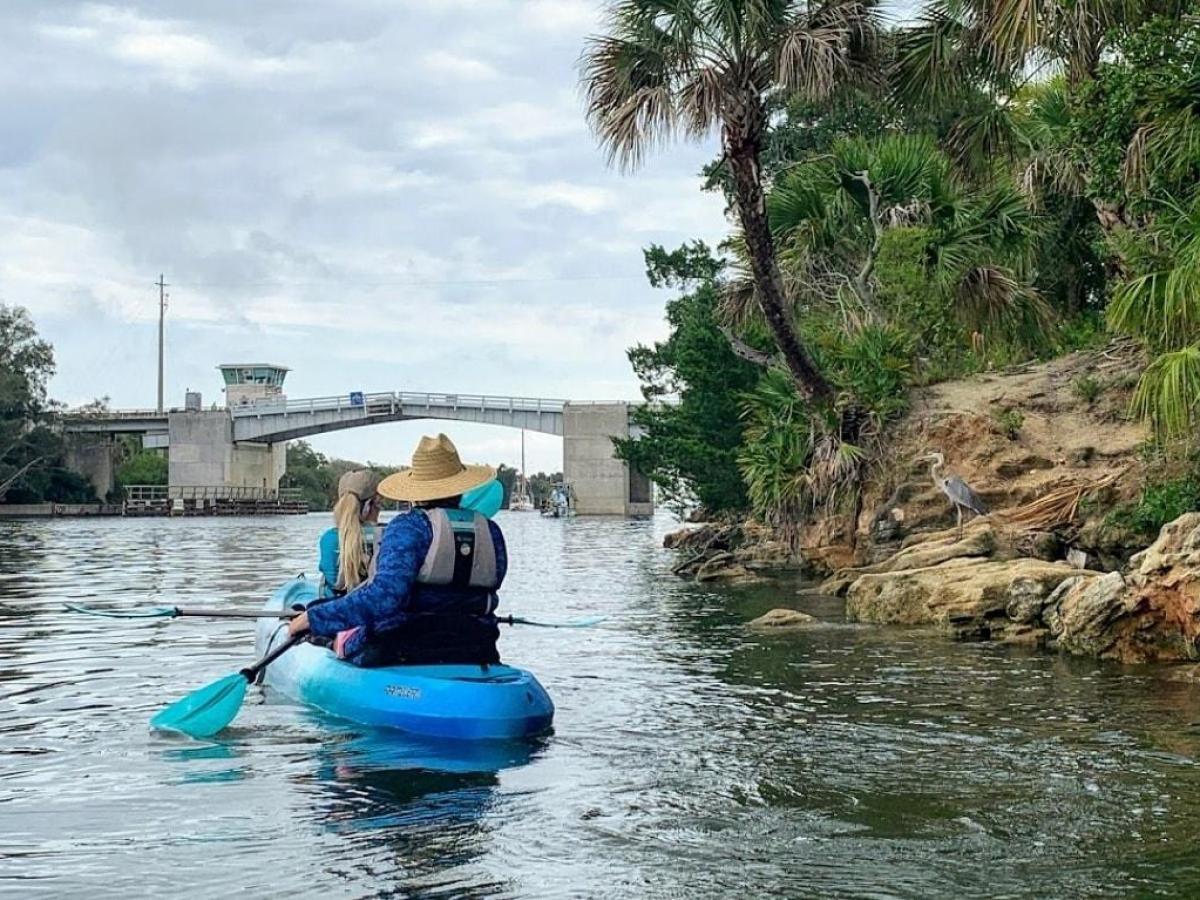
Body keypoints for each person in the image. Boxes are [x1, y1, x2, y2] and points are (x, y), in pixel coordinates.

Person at [289, 433, 505, 667]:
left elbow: (384, 597)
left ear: (416, 490)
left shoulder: (409, 526)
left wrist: (313, 618)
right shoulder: (491, 531)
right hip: (477, 645)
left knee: (323, 625)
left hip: (403, 647)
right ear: (460, 489)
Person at [317, 470, 382, 599]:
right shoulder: (387, 535)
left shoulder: (328, 539)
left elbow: (332, 579)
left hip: (334, 610)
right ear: (370, 505)